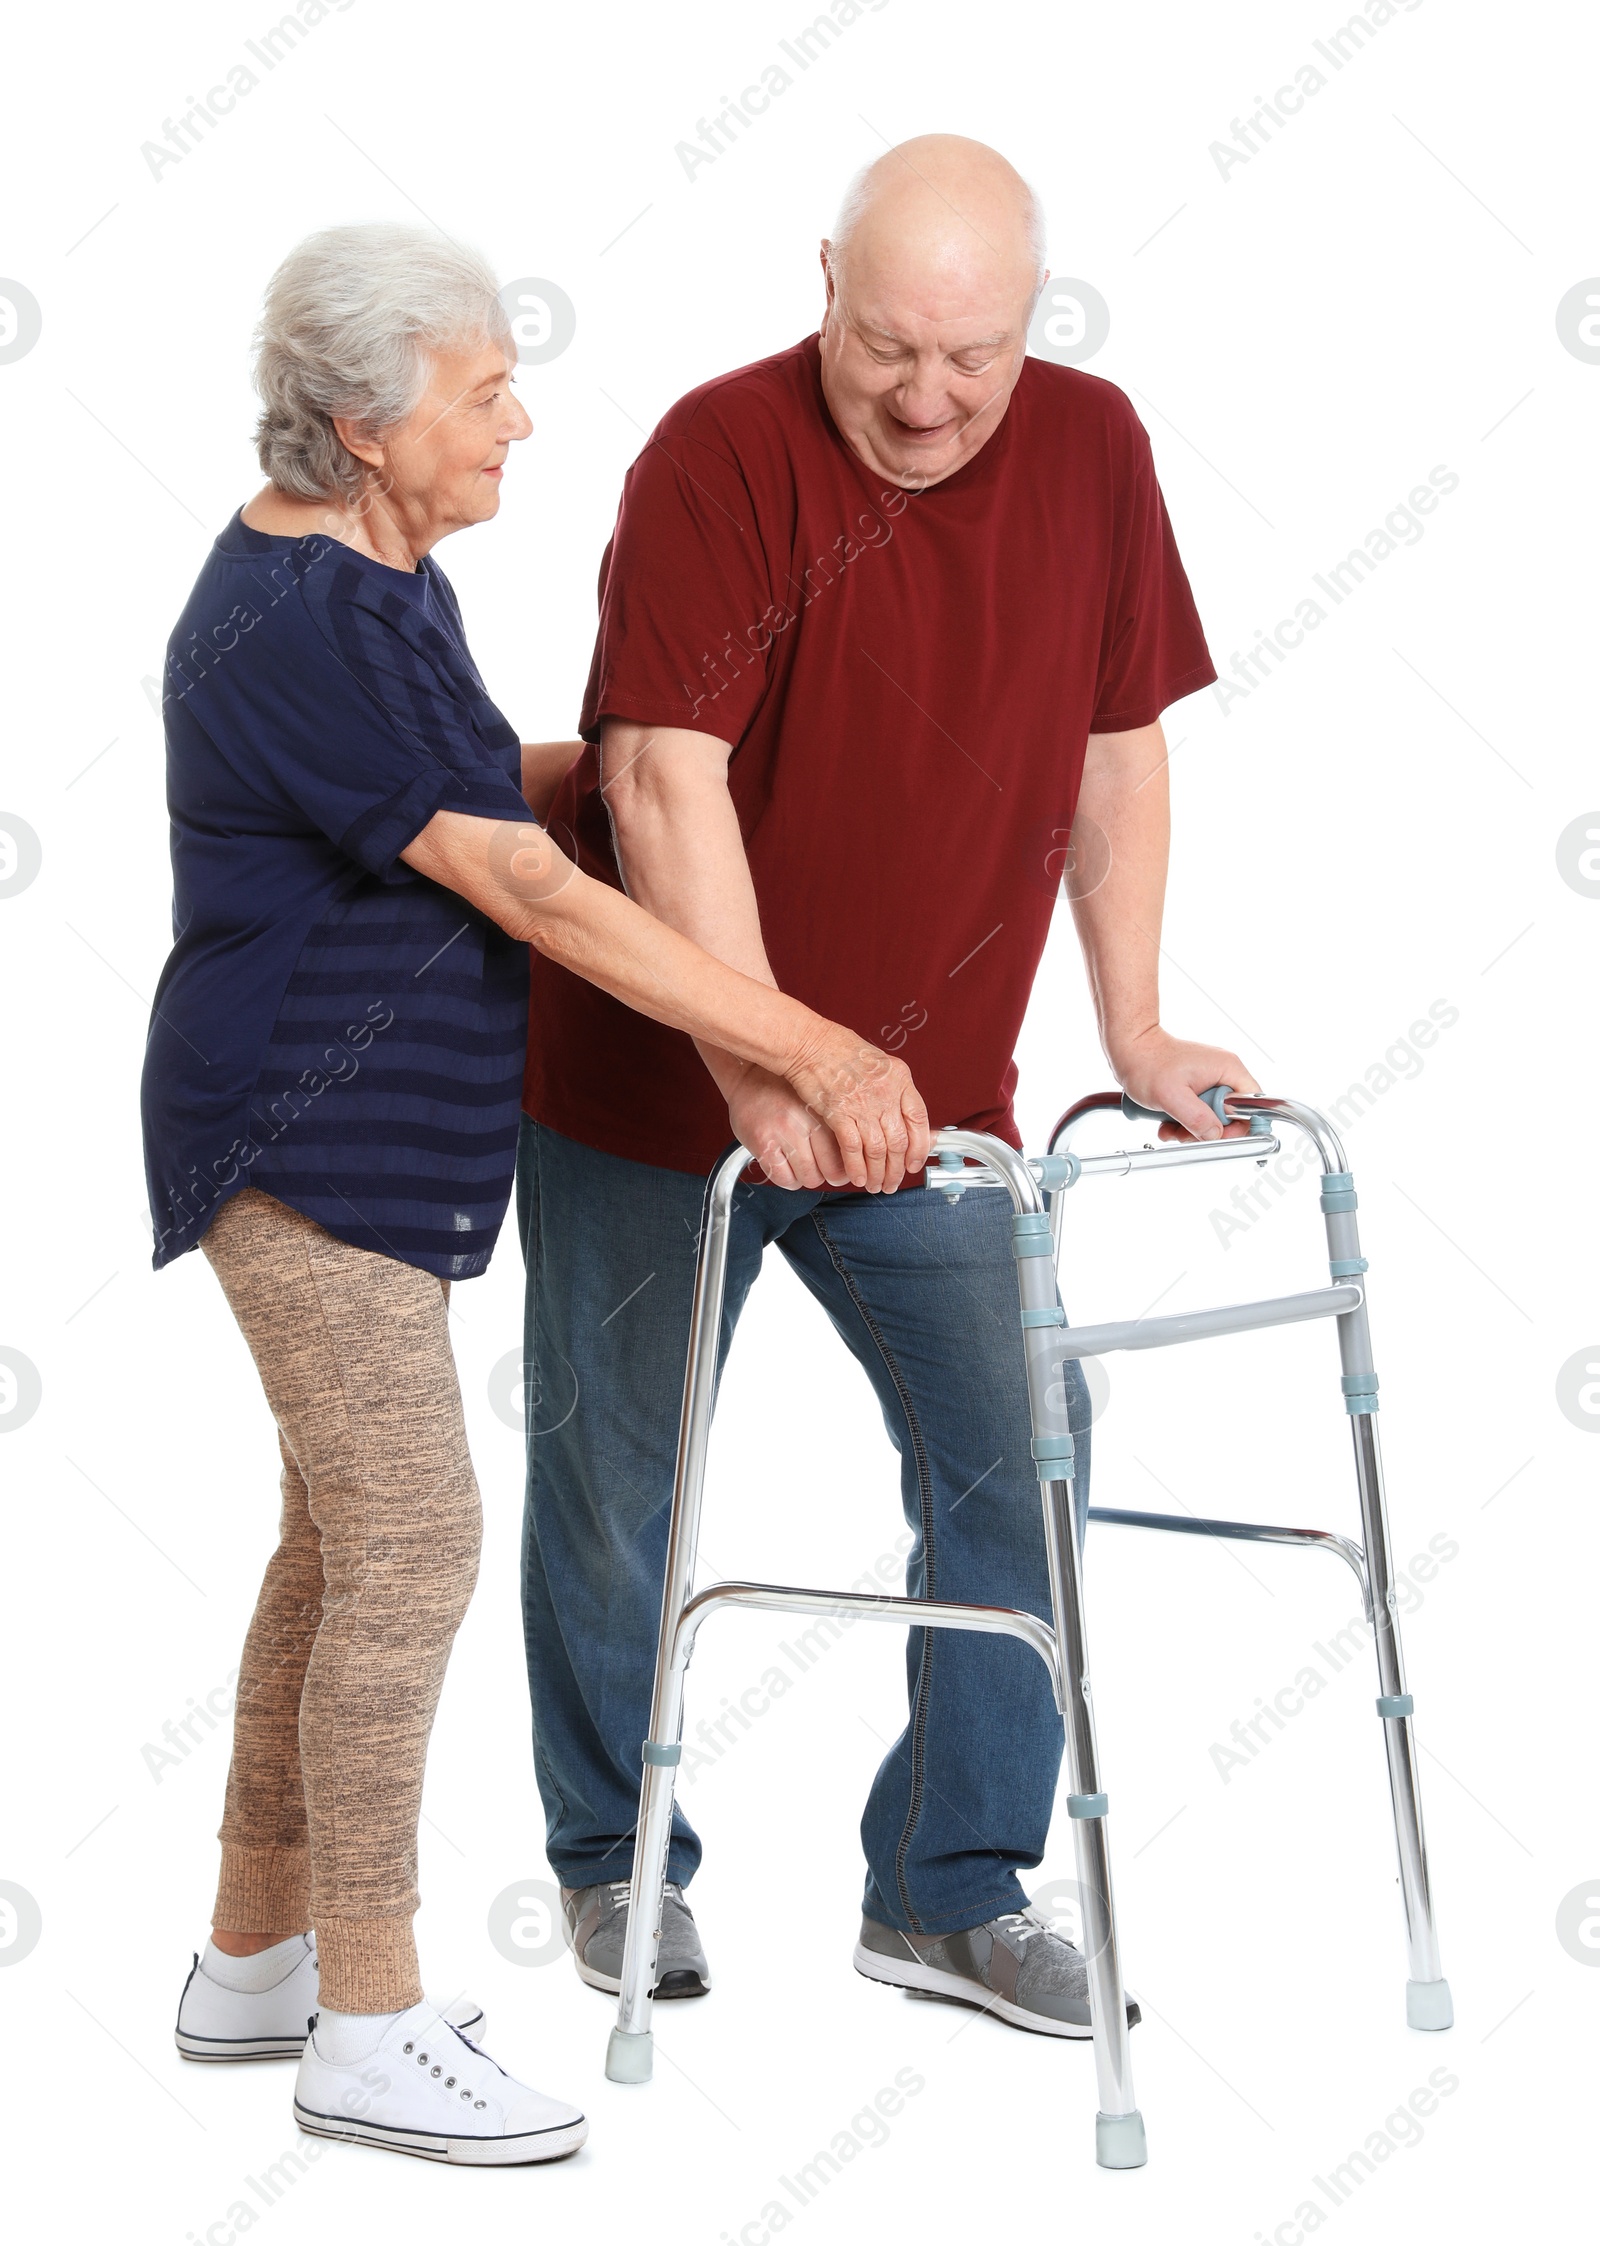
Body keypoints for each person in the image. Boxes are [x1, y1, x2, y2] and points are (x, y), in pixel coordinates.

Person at [143, 222, 927, 2167]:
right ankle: (371, 2018)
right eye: (481, 392)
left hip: (349, 1160)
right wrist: (810, 1043)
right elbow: (533, 890)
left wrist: (664, 747)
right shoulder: (299, 618)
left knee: (336, 1548)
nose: (519, 418)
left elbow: (482, 788)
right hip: (293, 1149)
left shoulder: (375, 578)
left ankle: (258, 1957)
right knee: (414, 1544)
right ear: (360, 422)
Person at [519, 136, 1259, 2037]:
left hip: (924, 1102)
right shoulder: (715, 453)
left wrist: (1140, 1025)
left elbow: (1117, 753)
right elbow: (660, 779)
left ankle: (943, 1889)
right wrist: (767, 1049)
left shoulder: (1097, 448)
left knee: (1017, 1454)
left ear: (1032, 327)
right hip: (654, 1087)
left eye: (974, 358)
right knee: (616, 1480)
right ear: (820, 281)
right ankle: (618, 1863)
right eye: (884, 350)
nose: (927, 399)